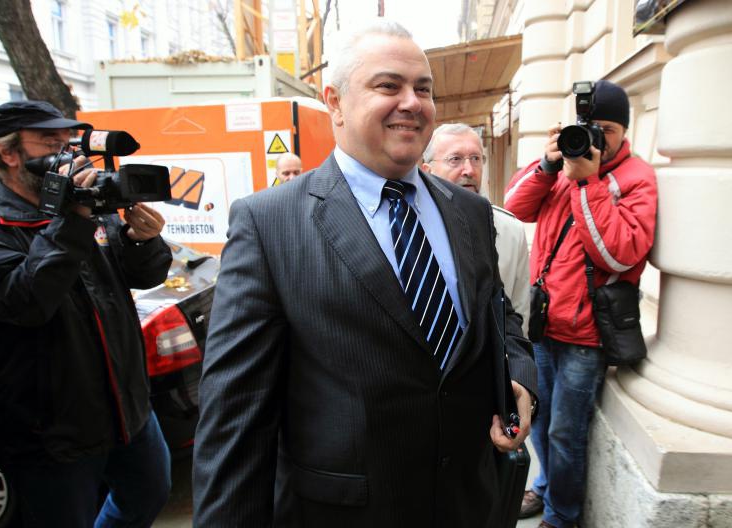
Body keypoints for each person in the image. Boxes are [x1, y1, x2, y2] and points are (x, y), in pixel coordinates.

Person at [193, 19, 537, 528]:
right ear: (334, 102)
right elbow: (235, 417)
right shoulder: (269, 223)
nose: (412, 102)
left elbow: (499, 315)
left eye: (423, 88)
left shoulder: (469, 211)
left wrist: (519, 378)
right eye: (388, 85)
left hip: (469, 502)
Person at [0, 100, 172, 527]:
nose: (66, 153)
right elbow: (24, 303)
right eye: (50, 143)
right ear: (8, 153)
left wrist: (142, 241)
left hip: (127, 409)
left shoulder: (86, 207)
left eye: (68, 142)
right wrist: (72, 219)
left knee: (149, 494)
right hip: (50, 433)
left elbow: (143, 275)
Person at [504, 80, 657, 528]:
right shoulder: (564, 165)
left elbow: (619, 254)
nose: (597, 139)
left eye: (608, 130)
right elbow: (514, 208)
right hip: (544, 322)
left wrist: (587, 183)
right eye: (591, 127)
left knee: (564, 433)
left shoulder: (636, 178)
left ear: (625, 131)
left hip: (586, 336)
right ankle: (546, 488)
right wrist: (547, 165)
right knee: (540, 422)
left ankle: (561, 517)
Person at [422, 123, 530, 330]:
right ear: (428, 171)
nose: (469, 170)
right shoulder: (410, 229)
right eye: (455, 159)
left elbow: (520, 312)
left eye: (476, 158)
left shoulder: (511, 231)